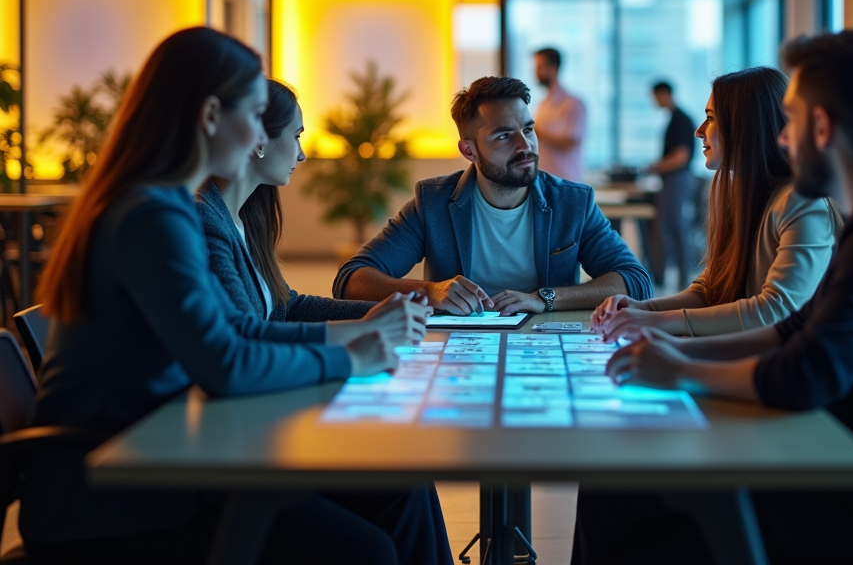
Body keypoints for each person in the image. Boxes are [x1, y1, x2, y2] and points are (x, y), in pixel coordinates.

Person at [573, 30, 853, 565]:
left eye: (791, 118)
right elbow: (797, 332)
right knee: (615, 483)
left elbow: (804, 373)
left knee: (620, 494)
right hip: (847, 455)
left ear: (821, 128)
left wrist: (678, 370)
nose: (779, 138)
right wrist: (671, 350)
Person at [21, 28, 405, 565]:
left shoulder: (159, 205)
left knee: (394, 493)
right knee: (365, 552)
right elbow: (224, 363)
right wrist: (347, 357)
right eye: (251, 114)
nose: (257, 135)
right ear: (208, 118)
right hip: (115, 496)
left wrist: (360, 334)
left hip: (158, 458)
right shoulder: (154, 216)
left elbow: (237, 328)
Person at [196, 79, 452, 565]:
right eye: (295, 136)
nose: (303, 153)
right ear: (256, 138)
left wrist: (376, 316)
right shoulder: (204, 219)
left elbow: (285, 306)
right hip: (235, 449)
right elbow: (243, 337)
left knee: (408, 479)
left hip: (255, 424)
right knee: (375, 538)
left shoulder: (240, 215)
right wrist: (357, 341)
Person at [335, 76, 652, 315]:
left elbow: (636, 281)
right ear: (468, 150)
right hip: (457, 350)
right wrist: (429, 291)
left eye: (528, 130)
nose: (524, 146)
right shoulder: (432, 203)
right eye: (503, 136)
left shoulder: (572, 203)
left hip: (543, 342)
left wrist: (544, 298)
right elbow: (351, 280)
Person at [593, 67, 842, 340]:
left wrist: (657, 322)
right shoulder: (743, 194)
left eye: (711, 119)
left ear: (746, 125)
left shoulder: (802, 202)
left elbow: (776, 310)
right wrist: (643, 309)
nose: (700, 131)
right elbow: (711, 288)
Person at [646, 81, 698, 287]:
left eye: (655, 96)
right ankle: (671, 279)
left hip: (677, 180)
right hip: (674, 180)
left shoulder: (680, 120)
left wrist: (655, 168)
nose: (654, 101)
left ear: (664, 94)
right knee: (670, 228)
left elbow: (680, 157)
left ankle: (683, 280)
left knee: (674, 228)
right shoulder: (675, 119)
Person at [533, 47, 587, 182]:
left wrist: (537, 132)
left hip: (566, 181)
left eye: (540, 67)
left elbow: (570, 142)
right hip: (544, 181)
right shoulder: (542, 105)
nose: (536, 72)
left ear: (553, 68)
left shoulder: (573, 104)